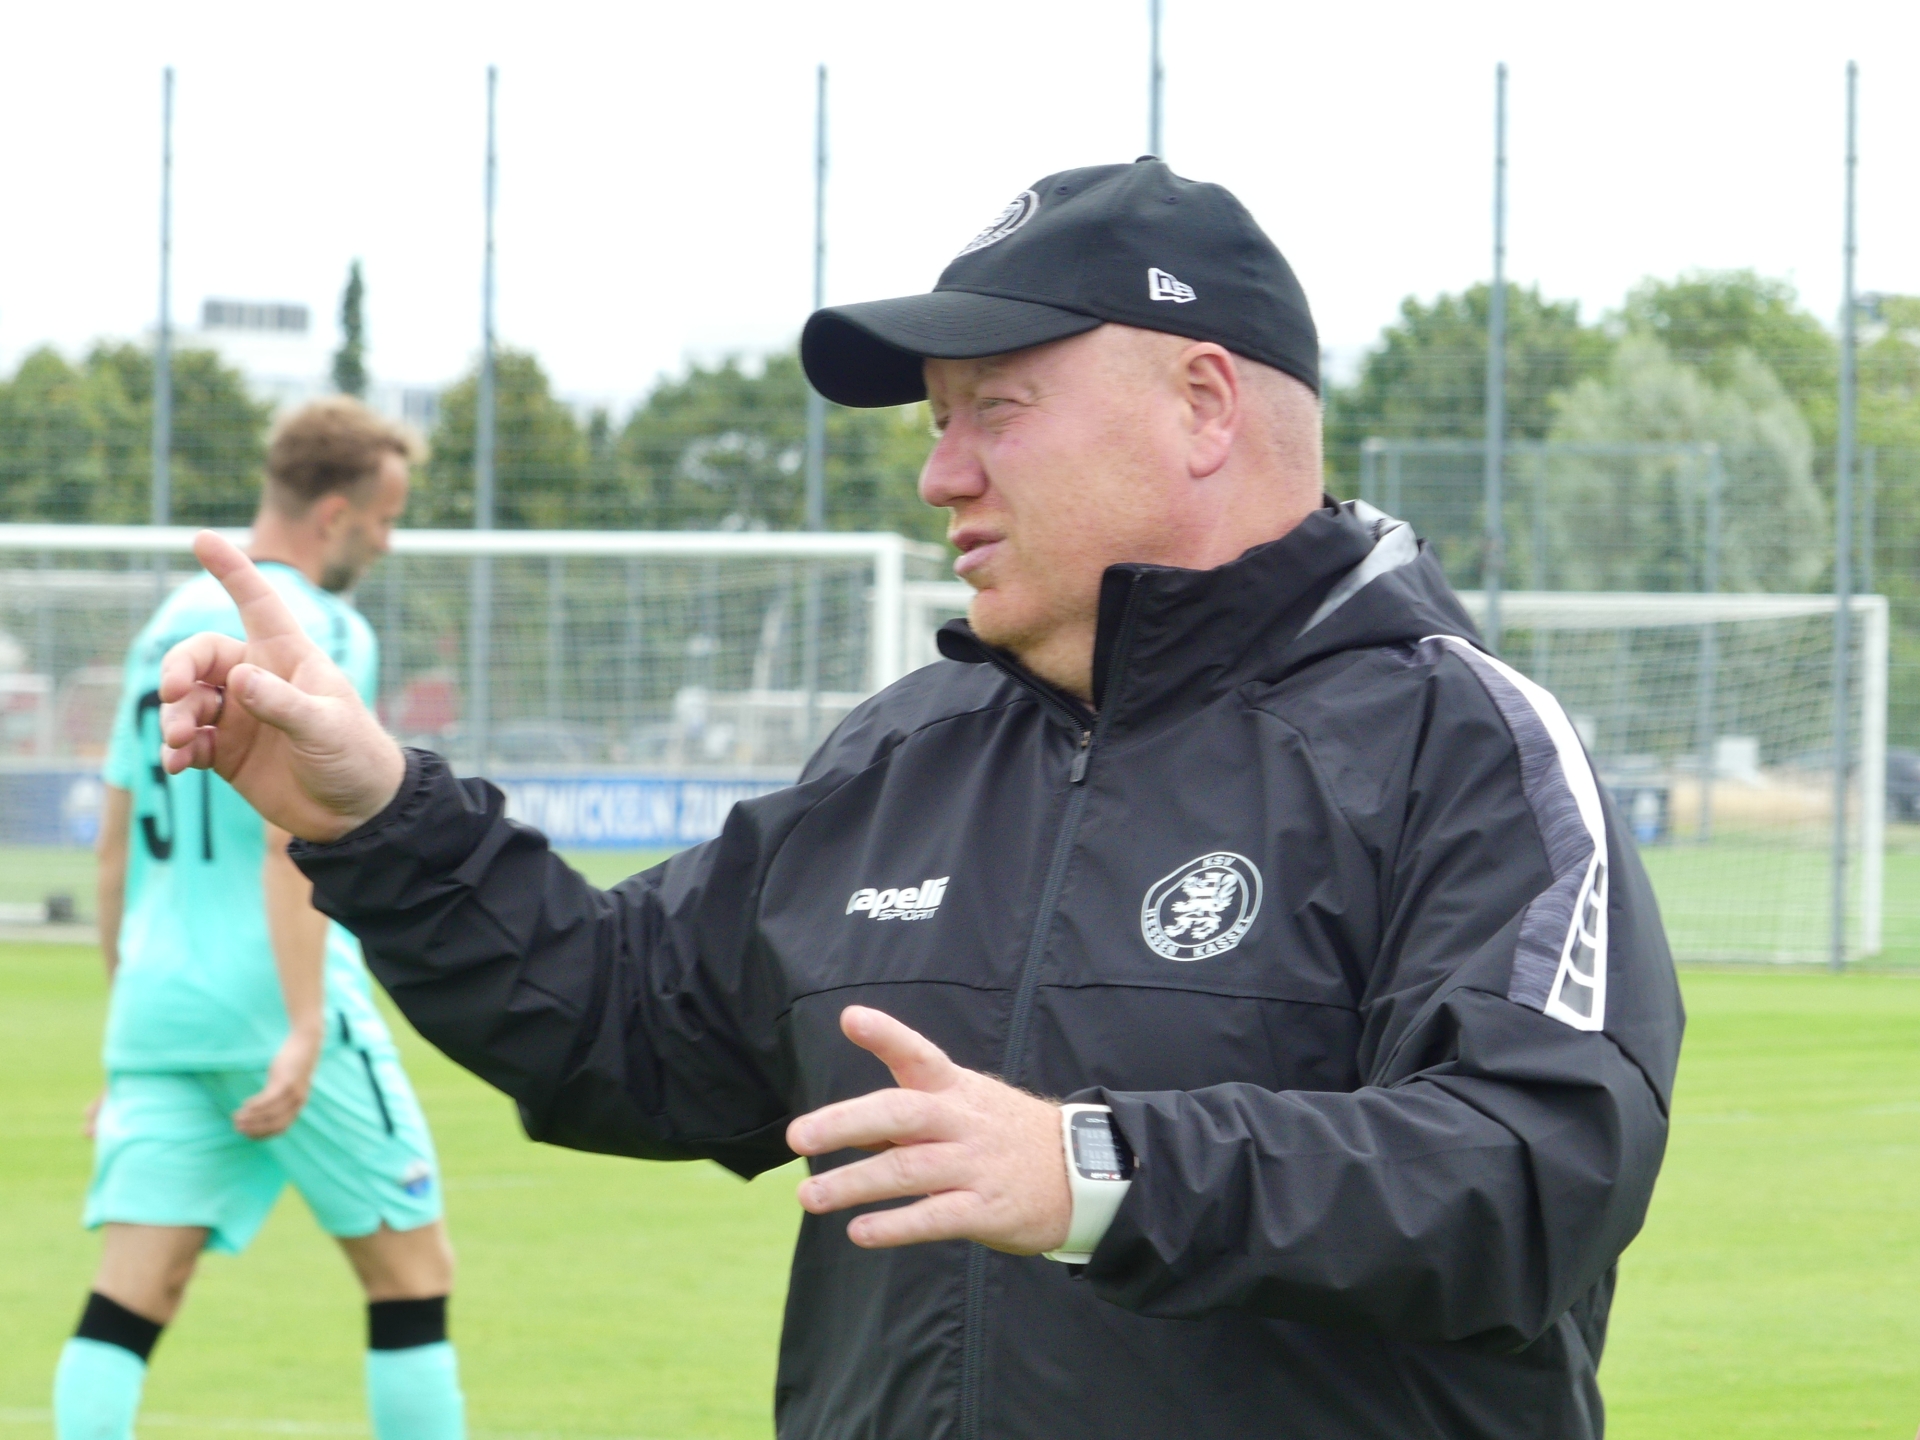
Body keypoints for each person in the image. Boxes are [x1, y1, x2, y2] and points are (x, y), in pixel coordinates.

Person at [158, 161, 1683, 1439]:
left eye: (993, 409)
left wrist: (1095, 1170)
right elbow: (623, 1027)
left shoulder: (1455, 742)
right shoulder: (908, 752)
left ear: (1205, 404)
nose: (940, 475)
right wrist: (378, 816)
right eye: (935, 422)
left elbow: (1528, 1169)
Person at [60, 398, 466, 1440]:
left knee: (130, 1296)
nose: (387, 542)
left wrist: (128, 1031)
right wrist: (306, 1023)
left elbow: (113, 846)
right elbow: (300, 836)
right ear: (335, 514)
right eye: (384, 519)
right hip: (277, 1001)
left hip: (159, 1009)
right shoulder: (321, 630)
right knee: (413, 1275)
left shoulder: (161, 626)